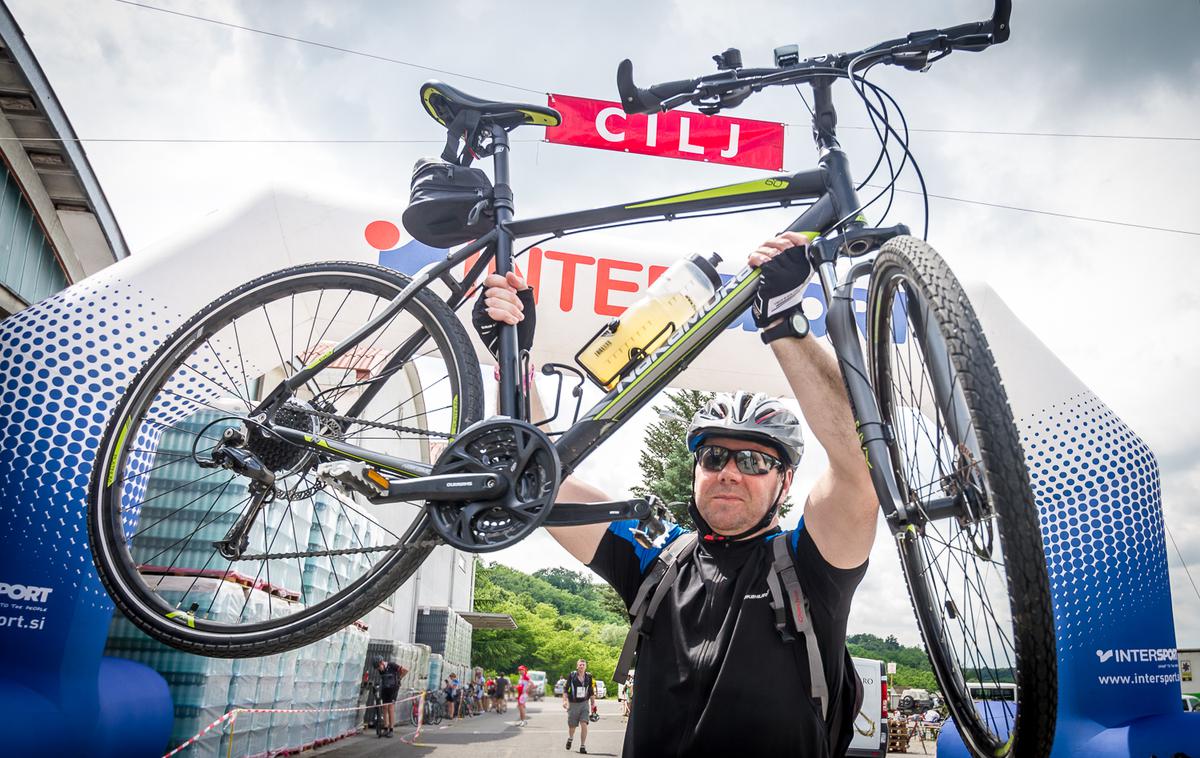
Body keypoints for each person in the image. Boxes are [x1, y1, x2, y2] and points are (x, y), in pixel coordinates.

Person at [473, 232, 877, 756]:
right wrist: (513, 356)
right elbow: (538, 482)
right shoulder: (659, 555)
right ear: (695, 470)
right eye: (714, 457)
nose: (730, 472)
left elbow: (859, 470)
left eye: (755, 460)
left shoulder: (808, 564)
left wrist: (783, 321)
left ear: (786, 481)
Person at [562, 658, 596, 753]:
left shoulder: (589, 676)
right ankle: (570, 738)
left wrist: (593, 704)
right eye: (580, 665)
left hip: (584, 703)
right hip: (573, 704)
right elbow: (565, 689)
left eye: (583, 665)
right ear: (577, 666)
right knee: (572, 726)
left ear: (586, 667)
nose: (581, 666)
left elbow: (591, 691)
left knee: (584, 723)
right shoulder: (572, 675)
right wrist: (565, 701)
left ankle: (582, 746)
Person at [375, 657, 408, 738]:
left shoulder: (392, 665)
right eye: (378, 668)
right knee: (384, 708)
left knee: (390, 708)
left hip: (393, 689)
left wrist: (399, 678)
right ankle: (386, 728)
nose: (379, 669)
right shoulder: (380, 670)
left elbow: (405, 670)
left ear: (382, 663)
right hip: (385, 689)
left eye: (379, 667)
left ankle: (391, 729)